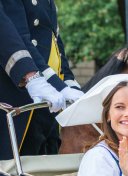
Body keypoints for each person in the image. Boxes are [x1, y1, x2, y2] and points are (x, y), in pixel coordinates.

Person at [0, 0, 83, 158]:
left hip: (47, 100)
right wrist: (31, 77)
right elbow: (16, 36)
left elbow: (54, 45)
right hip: (17, 95)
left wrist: (67, 83)